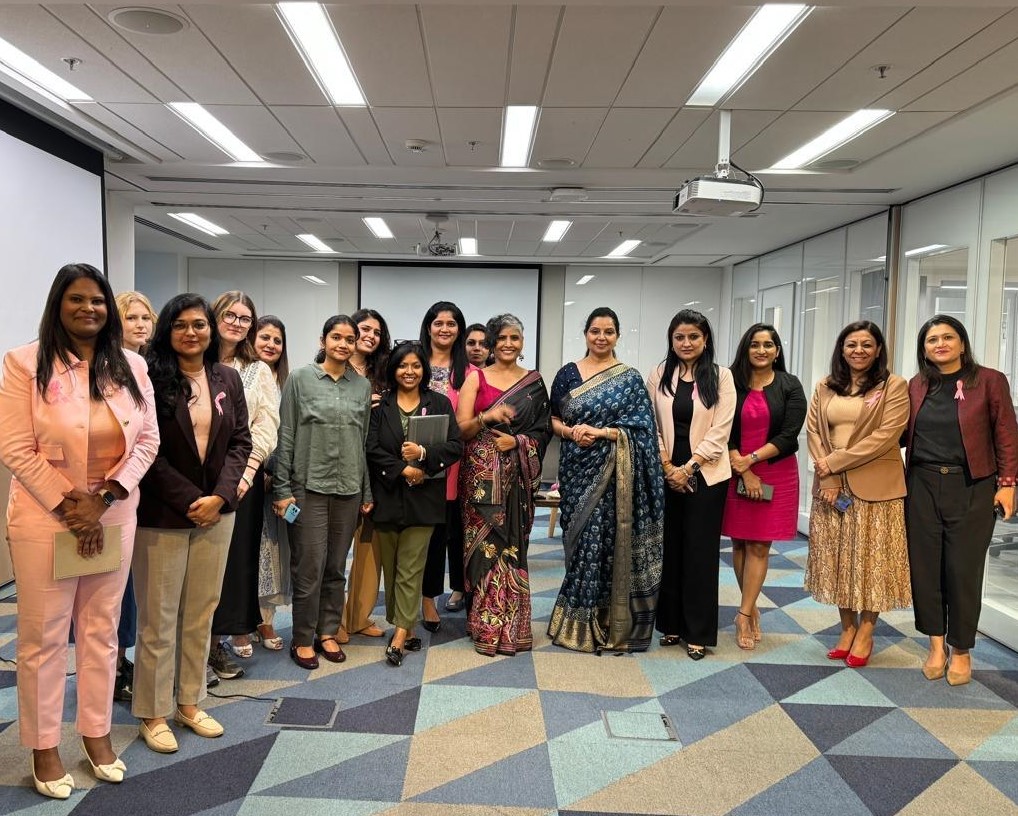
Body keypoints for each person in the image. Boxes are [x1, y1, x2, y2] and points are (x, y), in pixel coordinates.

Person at [0, 264, 158, 797]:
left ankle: (96, 733)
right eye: (77, 299)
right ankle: (44, 745)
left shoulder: (132, 365)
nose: (89, 309)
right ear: (58, 304)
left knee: (101, 629)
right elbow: (16, 447)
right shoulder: (24, 363)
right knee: (43, 637)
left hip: (112, 510)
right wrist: (73, 504)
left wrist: (107, 495)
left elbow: (148, 442)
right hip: (47, 515)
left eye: (97, 300)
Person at [132, 293, 251, 753]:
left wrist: (220, 497)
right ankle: (153, 711)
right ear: (167, 330)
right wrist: (191, 500)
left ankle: (190, 701)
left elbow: (240, 441)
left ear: (211, 329)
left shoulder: (227, 377)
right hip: (164, 515)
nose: (191, 333)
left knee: (200, 613)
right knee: (159, 618)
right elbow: (146, 450)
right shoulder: (148, 377)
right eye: (180, 325)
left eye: (199, 324)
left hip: (215, 515)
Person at [905, 315, 1017, 686]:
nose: (940, 344)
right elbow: (900, 433)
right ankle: (936, 645)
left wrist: (1008, 483)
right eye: (932, 339)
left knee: (962, 571)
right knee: (926, 569)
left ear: (962, 343)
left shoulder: (989, 381)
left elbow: (1006, 434)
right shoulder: (917, 385)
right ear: (924, 348)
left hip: (972, 486)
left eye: (947, 337)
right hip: (921, 485)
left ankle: (962, 649)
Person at [547, 307, 664, 653]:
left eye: (608, 332)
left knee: (608, 543)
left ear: (617, 335)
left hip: (615, 473)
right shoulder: (568, 374)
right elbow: (551, 419)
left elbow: (643, 430)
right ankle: (578, 620)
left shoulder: (629, 378)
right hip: (575, 469)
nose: (601, 337)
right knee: (581, 540)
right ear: (585, 334)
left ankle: (608, 619)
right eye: (595, 331)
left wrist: (601, 433)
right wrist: (570, 432)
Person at [805, 320, 910, 668]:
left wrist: (835, 461)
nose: (859, 351)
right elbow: (814, 431)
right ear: (841, 348)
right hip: (832, 485)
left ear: (878, 349)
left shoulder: (893, 386)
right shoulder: (824, 385)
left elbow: (885, 436)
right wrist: (829, 473)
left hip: (876, 485)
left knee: (871, 561)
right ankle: (846, 627)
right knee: (837, 560)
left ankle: (867, 629)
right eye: (852, 344)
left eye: (867, 344)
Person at [273, 315, 373, 670]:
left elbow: (362, 443)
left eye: (350, 339)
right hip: (307, 489)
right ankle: (302, 637)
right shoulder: (300, 380)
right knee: (309, 566)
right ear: (323, 339)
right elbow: (285, 438)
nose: (343, 344)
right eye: (337, 337)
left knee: (335, 566)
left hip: (348, 488)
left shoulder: (361, 386)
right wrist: (283, 489)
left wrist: (366, 491)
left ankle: (327, 631)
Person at [456, 314, 551, 656]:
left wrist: (519, 442)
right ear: (492, 343)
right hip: (481, 483)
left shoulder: (535, 382)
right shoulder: (476, 378)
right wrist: (487, 418)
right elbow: (462, 429)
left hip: (517, 483)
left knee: (513, 548)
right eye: (503, 338)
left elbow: (544, 430)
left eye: (516, 337)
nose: (509, 344)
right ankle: (485, 624)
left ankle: (513, 626)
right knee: (485, 550)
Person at [366, 342, 463, 666]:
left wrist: (423, 458)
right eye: (402, 366)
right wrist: (401, 469)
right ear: (393, 370)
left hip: (425, 500)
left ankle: (398, 634)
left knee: (410, 568)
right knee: (392, 570)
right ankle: (405, 627)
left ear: (424, 370)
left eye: (416, 366)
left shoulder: (439, 403)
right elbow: (373, 449)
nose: (409, 372)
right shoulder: (381, 407)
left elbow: (454, 446)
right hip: (389, 498)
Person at [648, 309, 736, 660]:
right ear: (671, 340)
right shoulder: (659, 374)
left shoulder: (722, 377)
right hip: (666, 472)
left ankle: (697, 631)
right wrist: (668, 466)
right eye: (679, 337)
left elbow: (721, 430)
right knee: (669, 549)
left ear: (706, 340)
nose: (686, 343)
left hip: (707, 475)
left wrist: (689, 468)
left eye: (693, 337)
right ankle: (670, 625)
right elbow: (650, 423)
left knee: (699, 553)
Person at [206, 291, 279, 680]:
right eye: (230, 315)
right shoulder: (192, 360)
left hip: (241, 484)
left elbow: (266, 426)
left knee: (232, 569)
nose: (237, 323)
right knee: (193, 571)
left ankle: (215, 645)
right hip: (193, 482)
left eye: (245, 318)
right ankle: (189, 650)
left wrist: (245, 475)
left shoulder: (257, 370)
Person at [722, 324, 806, 649]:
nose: (761, 350)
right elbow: (723, 429)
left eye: (768, 345)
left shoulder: (789, 385)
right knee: (740, 545)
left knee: (760, 546)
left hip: (776, 471)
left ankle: (743, 614)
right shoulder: (730, 382)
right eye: (755, 345)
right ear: (746, 349)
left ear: (777, 350)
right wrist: (742, 469)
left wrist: (751, 461)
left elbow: (789, 434)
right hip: (734, 470)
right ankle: (751, 606)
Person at [110, 290, 159, 702]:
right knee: (114, 586)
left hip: (145, 491)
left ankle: (123, 659)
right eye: (132, 318)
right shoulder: (105, 368)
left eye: (146, 317)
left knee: (135, 585)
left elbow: (150, 436)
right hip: (111, 493)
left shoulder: (147, 366)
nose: (141, 324)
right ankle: (113, 662)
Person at [418, 302, 474, 626]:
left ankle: (431, 599)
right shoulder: (415, 364)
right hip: (413, 463)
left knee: (442, 536)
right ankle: (417, 597)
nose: (444, 329)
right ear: (428, 327)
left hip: (452, 468)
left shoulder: (468, 372)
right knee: (416, 538)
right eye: (438, 323)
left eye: (451, 324)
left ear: (459, 329)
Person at [340, 308, 392, 642]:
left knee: (369, 548)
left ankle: (358, 617)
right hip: (339, 467)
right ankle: (330, 622)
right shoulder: (330, 369)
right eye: (364, 329)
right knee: (333, 552)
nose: (370, 335)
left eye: (376, 331)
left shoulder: (385, 375)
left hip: (375, 470)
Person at [253, 315, 290, 650]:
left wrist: (276, 476)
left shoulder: (285, 383)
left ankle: (265, 622)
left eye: (277, 341)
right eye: (264, 337)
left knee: (272, 553)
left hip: (276, 482)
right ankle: (239, 620)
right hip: (245, 479)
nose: (270, 345)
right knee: (246, 553)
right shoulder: (243, 377)